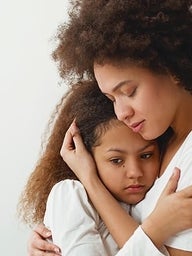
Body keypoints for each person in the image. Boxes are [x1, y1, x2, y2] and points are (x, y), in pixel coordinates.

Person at [28, 0, 192, 255]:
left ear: (171, 68)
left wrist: (90, 181)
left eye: (129, 91)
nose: (122, 113)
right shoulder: (161, 139)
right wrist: (62, 230)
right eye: (112, 99)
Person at [18, 80, 166, 255]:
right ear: (85, 157)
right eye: (116, 160)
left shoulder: (153, 195)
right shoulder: (71, 194)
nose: (135, 172)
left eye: (146, 156)